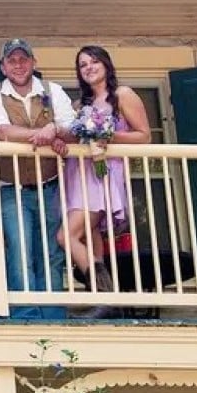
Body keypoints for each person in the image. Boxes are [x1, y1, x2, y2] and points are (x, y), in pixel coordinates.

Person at [0, 38, 75, 320]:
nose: (18, 65)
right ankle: (27, 316)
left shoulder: (53, 91)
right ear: (3, 67)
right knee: (20, 251)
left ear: (33, 63)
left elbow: (72, 129)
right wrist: (47, 135)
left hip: (50, 184)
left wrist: (55, 129)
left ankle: (52, 316)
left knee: (52, 252)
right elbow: (2, 131)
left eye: (23, 59)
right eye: (12, 60)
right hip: (12, 187)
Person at [58, 44, 151, 303]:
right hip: (79, 173)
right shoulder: (80, 105)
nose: (89, 67)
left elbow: (144, 136)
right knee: (90, 234)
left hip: (103, 173)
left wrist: (108, 135)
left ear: (106, 64)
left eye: (94, 62)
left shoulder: (123, 95)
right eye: (83, 64)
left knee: (66, 236)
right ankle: (102, 300)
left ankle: (105, 294)